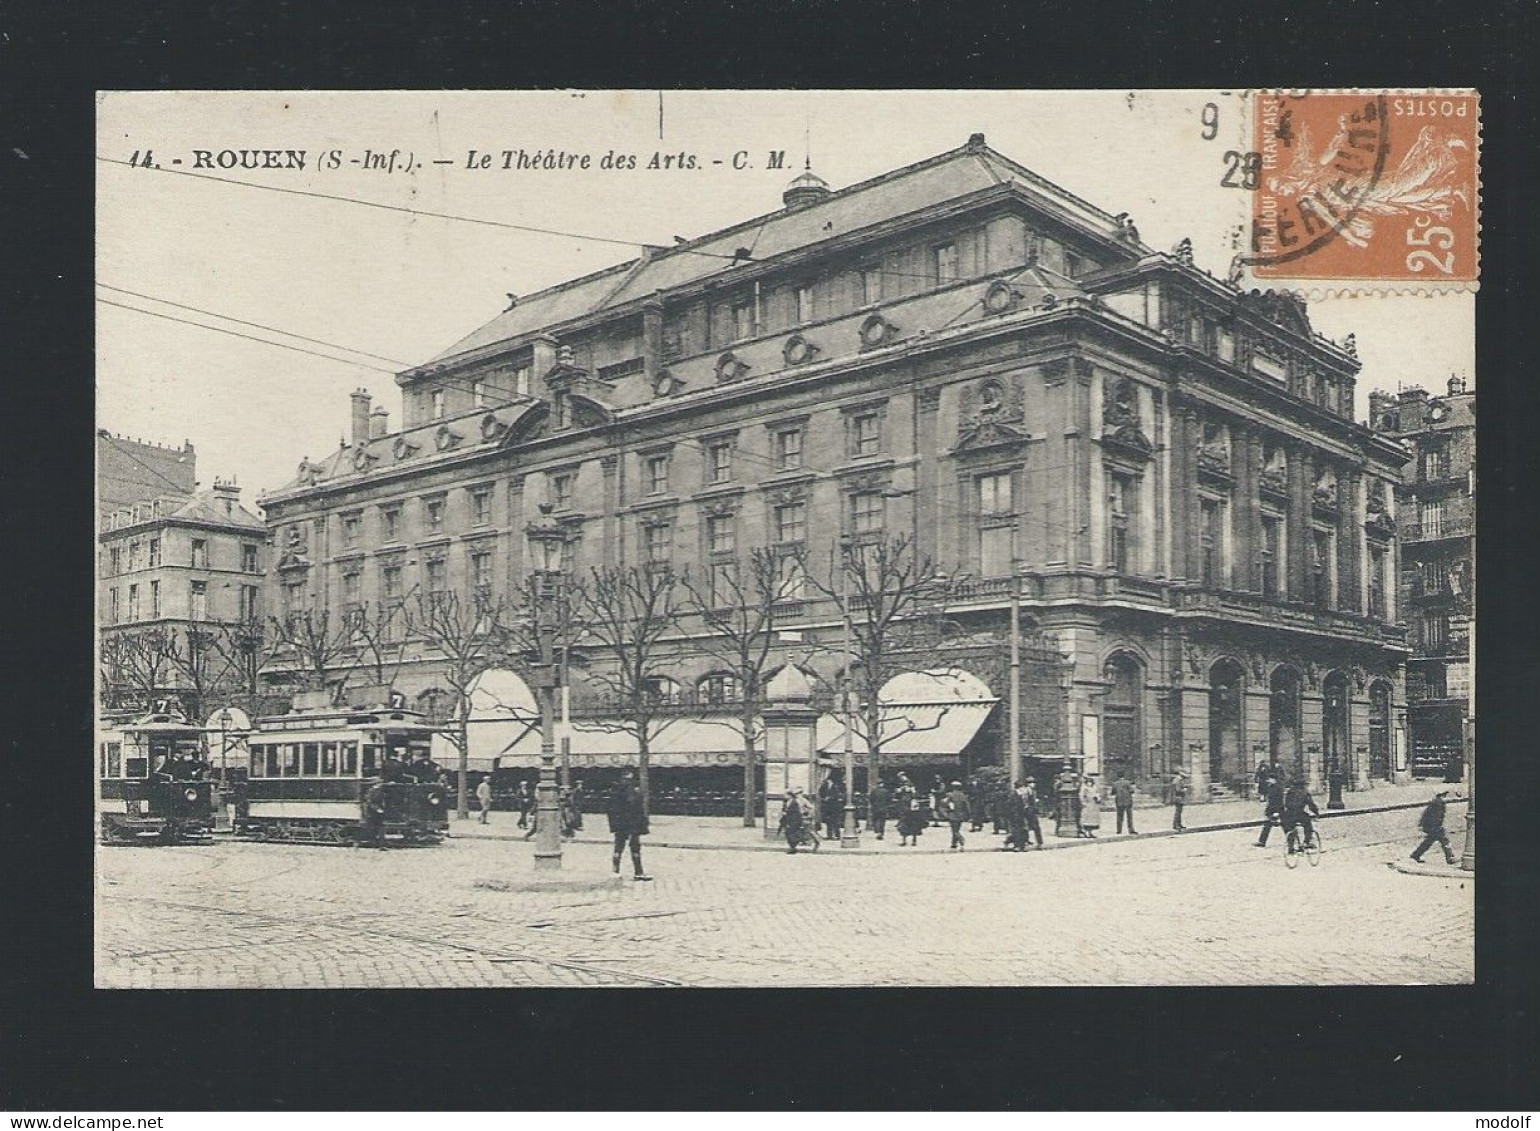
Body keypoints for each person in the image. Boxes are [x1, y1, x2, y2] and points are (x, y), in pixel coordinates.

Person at [606, 770, 652, 880]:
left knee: (625, 847)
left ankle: (631, 872)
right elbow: (614, 810)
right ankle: (628, 871)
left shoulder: (623, 792)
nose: (629, 782)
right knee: (626, 847)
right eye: (627, 779)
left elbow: (638, 810)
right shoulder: (625, 793)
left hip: (627, 824)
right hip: (627, 824)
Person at [1411, 790, 1459, 865]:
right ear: (1443, 795)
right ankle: (1450, 857)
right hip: (1434, 826)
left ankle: (1415, 855)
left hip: (1433, 826)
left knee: (1428, 842)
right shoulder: (1439, 803)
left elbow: (1426, 814)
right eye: (1445, 795)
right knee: (1443, 840)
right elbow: (1437, 817)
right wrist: (1438, 827)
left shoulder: (1436, 801)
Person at [1281, 778, 1320, 854]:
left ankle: (1291, 847)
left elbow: (1286, 803)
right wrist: (1316, 813)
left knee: (1290, 829)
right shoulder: (1305, 792)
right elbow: (1311, 804)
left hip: (1288, 814)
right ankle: (1306, 842)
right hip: (1299, 813)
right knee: (1308, 824)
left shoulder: (1290, 791)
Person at [1254, 773, 1286, 847]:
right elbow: (1270, 800)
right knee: (1267, 825)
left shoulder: (1278, 788)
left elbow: (1279, 800)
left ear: (1274, 779)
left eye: (1270, 779)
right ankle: (1262, 842)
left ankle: (1291, 840)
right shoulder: (1270, 787)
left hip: (1278, 809)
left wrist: (1277, 812)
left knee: (1285, 825)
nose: (1268, 780)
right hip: (1271, 809)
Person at [895, 776, 925, 846]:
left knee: (910, 825)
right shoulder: (902, 790)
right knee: (905, 825)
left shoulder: (909, 790)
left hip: (909, 809)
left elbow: (915, 796)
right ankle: (907, 840)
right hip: (907, 809)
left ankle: (912, 840)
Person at [941, 780, 970, 850]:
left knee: (954, 830)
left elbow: (945, 803)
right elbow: (966, 805)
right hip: (961, 814)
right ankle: (953, 844)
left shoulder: (950, 795)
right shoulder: (963, 795)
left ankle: (961, 839)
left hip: (953, 814)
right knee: (957, 828)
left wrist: (945, 812)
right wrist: (968, 814)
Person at [360, 777, 388, 849]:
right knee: (373, 828)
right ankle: (372, 843)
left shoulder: (379, 790)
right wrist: (377, 809)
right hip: (372, 812)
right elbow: (369, 802)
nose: (381, 784)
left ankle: (381, 845)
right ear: (377, 784)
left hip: (378, 812)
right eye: (380, 783)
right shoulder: (371, 791)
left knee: (381, 828)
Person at [779, 788, 809, 854]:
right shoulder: (787, 802)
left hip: (794, 820)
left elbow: (795, 812)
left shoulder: (794, 802)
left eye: (785, 795)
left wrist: (787, 813)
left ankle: (793, 848)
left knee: (792, 834)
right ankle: (793, 847)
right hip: (788, 820)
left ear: (789, 795)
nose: (784, 796)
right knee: (788, 833)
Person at [1001, 782, 1027, 851]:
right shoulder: (1013, 795)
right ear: (1019, 788)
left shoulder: (1021, 795)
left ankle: (1020, 845)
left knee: (1021, 830)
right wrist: (1013, 813)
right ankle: (1017, 846)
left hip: (1021, 815)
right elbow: (1009, 805)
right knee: (1016, 831)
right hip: (1015, 815)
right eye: (1022, 787)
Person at [1021, 780, 1045, 848]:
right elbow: (1025, 801)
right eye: (1031, 783)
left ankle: (1039, 842)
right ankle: (1027, 840)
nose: (1033, 784)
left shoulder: (1033, 791)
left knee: (1034, 827)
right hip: (1029, 811)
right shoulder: (1026, 791)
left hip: (1032, 811)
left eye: (1034, 782)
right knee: (1029, 826)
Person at [1112, 771, 1137, 835]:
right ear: (1124, 776)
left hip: (1119, 802)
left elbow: (1113, 792)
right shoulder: (1127, 783)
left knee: (1119, 817)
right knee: (1129, 817)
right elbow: (1132, 791)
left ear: (1117, 776)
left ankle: (1119, 830)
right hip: (1127, 801)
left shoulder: (1115, 783)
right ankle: (1131, 829)